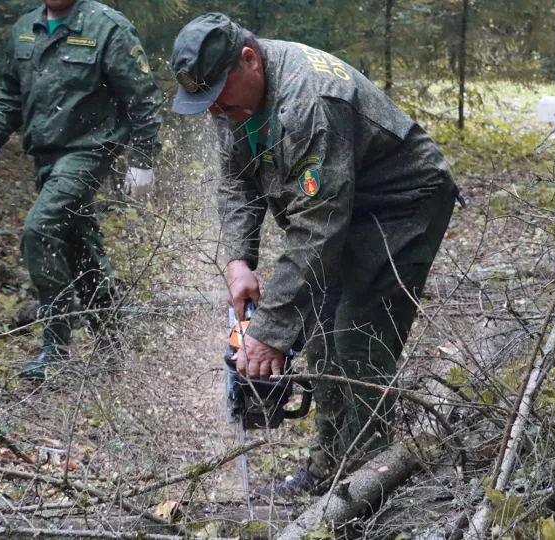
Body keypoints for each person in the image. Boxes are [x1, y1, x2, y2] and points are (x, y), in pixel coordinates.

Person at [169, 13, 462, 497]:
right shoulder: (230, 102)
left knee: (357, 336)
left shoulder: (310, 101)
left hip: (401, 204)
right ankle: (327, 468)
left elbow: (318, 228)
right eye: (207, 101)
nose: (215, 109)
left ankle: (367, 485)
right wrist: (239, 260)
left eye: (219, 95)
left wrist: (268, 333)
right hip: (343, 204)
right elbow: (236, 180)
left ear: (249, 59)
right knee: (322, 333)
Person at [0, 0, 162, 380]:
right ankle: (112, 348)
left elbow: (142, 95)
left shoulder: (106, 27)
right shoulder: (27, 28)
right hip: (45, 156)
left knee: (40, 230)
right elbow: (11, 92)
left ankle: (55, 352)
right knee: (79, 248)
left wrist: (143, 159)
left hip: (90, 151)